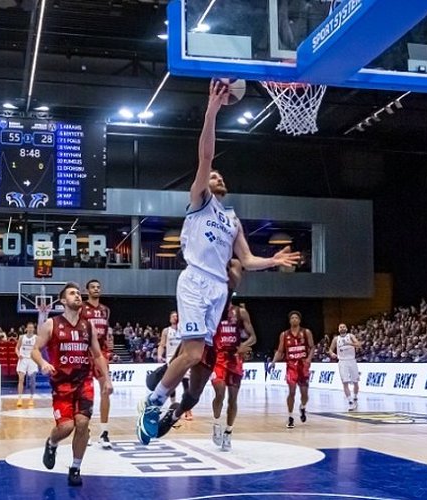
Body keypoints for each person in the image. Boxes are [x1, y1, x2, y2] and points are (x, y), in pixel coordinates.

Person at [136, 81, 300, 444]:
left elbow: (247, 259)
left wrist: (273, 259)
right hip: (195, 280)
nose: (216, 177)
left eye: (220, 177)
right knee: (192, 353)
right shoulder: (199, 202)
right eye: (213, 176)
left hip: (218, 291)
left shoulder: (232, 219)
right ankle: (153, 402)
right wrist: (212, 110)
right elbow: (206, 156)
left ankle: (165, 396)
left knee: (197, 364)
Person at [31, 282, 113, 487]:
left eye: (78, 293)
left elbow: (98, 355)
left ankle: (75, 468)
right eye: (72, 293)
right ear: (62, 300)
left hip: (84, 381)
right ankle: (52, 443)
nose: (77, 296)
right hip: (61, 384)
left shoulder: (88, 326)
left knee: (83, 423)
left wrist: (107, 379)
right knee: (66, 427)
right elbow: (35, 350)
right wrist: (43, 363)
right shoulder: (51, 324)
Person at [210, 301, 256, 451]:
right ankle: (216, 423)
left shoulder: (240, 312)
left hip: (235, 359)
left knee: (233, 399)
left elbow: (253, 337)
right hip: (218, 358)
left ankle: (228, 432)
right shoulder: (213, 311)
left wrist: (244, 346)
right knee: (219, 393)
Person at [81, 279, 114, 448]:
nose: (96, 289)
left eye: (98, 287)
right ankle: (84, 431)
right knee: (85, 394)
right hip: (84, 353)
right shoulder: (81, 308)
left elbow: (107, 331)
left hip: (101, 354)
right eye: (93, 287)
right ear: (87, 290)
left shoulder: (105, 310)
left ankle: (104, 433)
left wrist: (110, 343)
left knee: (106, 390)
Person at [272, 311, 313, 428]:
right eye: (292, 318)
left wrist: (309, 359)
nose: (294, 319)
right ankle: (290, 417)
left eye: (296, 318)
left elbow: (312, 347)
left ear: (299, 320)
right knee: (292, 391)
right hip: (291, 366)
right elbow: (280, 350)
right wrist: (273, 361)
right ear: (290, 321)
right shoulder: (284, 334)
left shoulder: (306, 332)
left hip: (303, 366)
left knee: (304, 394)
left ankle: (302, 407)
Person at [156, 311, 190, 417]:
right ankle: (173, 405)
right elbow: (162, 345)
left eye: (176, 316)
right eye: (173, 316)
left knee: (186, 383)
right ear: (170, 319)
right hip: (170, 359)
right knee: (171, 384)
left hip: (183, 358)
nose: (175, 318)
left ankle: (187, 408)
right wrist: (159, 355)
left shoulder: (184, 329)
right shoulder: (166, 331)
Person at [327, 323, 360, 411]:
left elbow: (358, 344)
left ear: (346, 328)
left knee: (355, 382)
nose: (342, 328)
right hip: (342, 361)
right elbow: (330, 350)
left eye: (343, 327)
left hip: (352, 360)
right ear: (338, 329)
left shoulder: (350, 336)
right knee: (345, 382)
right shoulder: (336, 339)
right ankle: (350, 402)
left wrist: (350, 343)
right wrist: (332, 353)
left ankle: (355, 397)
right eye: (340, 327)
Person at [15, 321, 39, 408]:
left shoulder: (36, 338)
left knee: (32, 380)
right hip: (23, 359)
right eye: (29, 327)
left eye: (32, 327)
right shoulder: (22, 337)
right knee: (21, 379)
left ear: (33, 329)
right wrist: (18, 354)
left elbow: (38, 349)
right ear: (26, 328)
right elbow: (17, 348)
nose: (30, 329)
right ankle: (19, 398)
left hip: (32, 360)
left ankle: (31, 398)